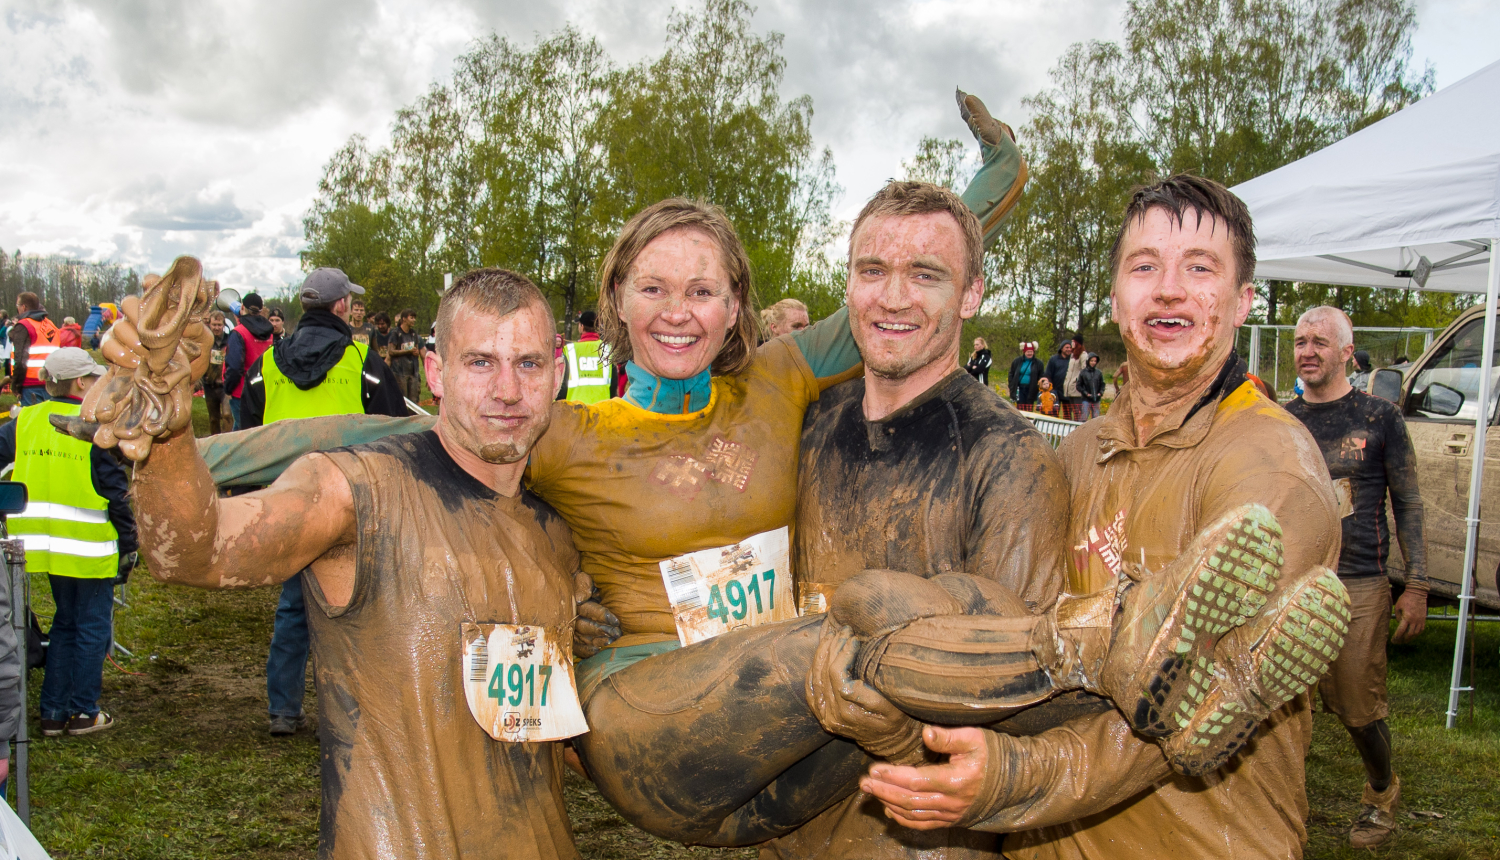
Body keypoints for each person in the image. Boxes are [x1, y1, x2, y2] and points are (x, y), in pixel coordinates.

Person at [853, 175, 1352, 860]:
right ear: (1116, 299)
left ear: (1242, 303)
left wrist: (1013, 775)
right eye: (1145, 267)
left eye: (1199, 269)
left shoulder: (1272, 468)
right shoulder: (1080, 452)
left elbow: (1188, 706)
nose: (1169, 289)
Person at [77, 265, 591, 858]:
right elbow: (197, 550)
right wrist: (166, 436)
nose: (507, 390)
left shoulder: (554, 533)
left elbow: (550, 735)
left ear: (556, 376)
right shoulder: (353, 491)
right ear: (435, 373)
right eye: (480, 362)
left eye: (527, 364)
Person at [240, 268, 409, 736]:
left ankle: (283, 709)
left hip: (286, 504)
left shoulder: (268, 364)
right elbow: (393, 426)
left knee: (293, 606)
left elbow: (247, 432)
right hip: (350, 501)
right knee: (355, 608)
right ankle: (355, 709)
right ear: (340, 307)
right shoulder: (363, 361)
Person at [1285, 306, 1427, 849]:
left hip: (1359, 581)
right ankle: (1280, 803)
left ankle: (1380, 791)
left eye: (1320, 341)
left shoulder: (1380, 417)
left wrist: (1416, 585)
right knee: (1280, 705)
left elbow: (1409, 503)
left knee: (1356, 708)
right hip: (1294, 577)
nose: (1307, 351)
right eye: (1300, 341)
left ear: (1347, 351)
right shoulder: (1281, 417)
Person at [1, 348, 137, 737]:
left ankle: (52, 712)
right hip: (89, 545)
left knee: (64, 622)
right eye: (94, 380)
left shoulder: (23, 421)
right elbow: (114, 491)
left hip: (41, 544)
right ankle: (82, 712)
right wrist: (130, 542)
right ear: (81, 384)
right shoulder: (91, 425)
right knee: (93, 626)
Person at [223, 292, 275, 430]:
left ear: (242, 308)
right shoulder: (269, 332)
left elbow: (234, 367)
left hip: (241, 392)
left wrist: (228, 389)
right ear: (260, 310)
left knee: (245, 434)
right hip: (263, 389)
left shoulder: (239, 332)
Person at [10, 292, 62, 407]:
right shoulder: (51, 325)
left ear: (23, 307)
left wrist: (16, 385)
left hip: (30, 384)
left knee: (32, 422)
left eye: (17, 306)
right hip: (51, 382)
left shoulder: (24, 325)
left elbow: (20, 360)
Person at [561, 310, 614, 404]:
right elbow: (613, 384)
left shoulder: (570, 350)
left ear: (581, 326)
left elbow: (562, 386)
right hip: (602, 411)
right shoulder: (607, 349)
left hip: (575, 411)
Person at [202, 311, 229, 436]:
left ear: (223, 325)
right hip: (210, 385)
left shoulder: (229, 340)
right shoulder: (205, 341)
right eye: (214, 325)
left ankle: (230, 441)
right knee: (213, 419)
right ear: (210, 325)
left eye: (219, 325)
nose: (217, 328)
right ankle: (215, 442)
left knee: (227, 415)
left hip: (225, 386)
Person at [387, 309, 423, 403]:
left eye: (414, 318)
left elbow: (416, 349)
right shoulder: (395, 333)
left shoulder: (414, 333)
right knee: (402, 400)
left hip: (413, 371)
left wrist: (415, 352)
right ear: (404, 319)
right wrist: (407, 351)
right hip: (399, 372)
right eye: (411, 317)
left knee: (414, 401)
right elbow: (391, 351)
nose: (414, 320)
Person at [1008, 342, 1042, 409]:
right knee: (1020, 407)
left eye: (1031, 351)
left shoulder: (1038, 363)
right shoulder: (1017, 361)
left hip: (1031, 389)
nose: (1029, 353)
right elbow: (1011, 373)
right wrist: (1011, 385)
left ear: (1034, 352)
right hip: (1019, 388)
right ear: (1024, 352)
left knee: (1029, 407)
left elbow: (1041, 376)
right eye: (1028, 351)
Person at [1061, 333, 1087, 421]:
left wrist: (1077, 380)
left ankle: (1079, 427)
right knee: (1071, 409)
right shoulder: (1072, 355)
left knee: (1078, 411)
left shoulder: (1083, 355)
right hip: (1069, 386)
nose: (1071, 344)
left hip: (1077, 387)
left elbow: (1084, 370)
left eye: (1073, 342)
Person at [1042, 342, 1071, 419]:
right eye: (1067, 347)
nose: (1069, 349)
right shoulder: (1053, 359)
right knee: (1054, 412)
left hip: (1067, 390)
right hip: (1055, 390)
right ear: (1061, 348)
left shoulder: (1073, 360)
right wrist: (1049, 387)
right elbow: (1048, 373)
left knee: (1067, 413)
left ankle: (1068, 429)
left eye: (1070, 347)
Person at [1076, 353, 1104, 420]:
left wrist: (1100, 393)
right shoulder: (1083, 372)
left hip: (1096, 399)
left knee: (1096, 419)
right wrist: (1086, 393)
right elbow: (1078, 386)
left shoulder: (1099, 372)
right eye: (1091, 361)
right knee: (1084, 418)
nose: (1093, 362)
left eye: (1095, 361)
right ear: (1088, 361)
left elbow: (1102, 384)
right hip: (1086, 399)